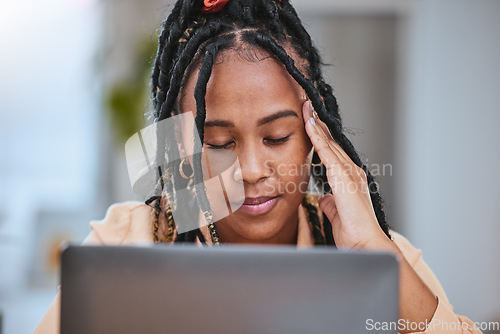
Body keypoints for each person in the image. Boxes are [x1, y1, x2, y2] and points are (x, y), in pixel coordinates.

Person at [35, 0, 482, 333]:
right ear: (180, 143)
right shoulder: (121, 248)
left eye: (276, 137)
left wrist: (372, 250)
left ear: (316, 129)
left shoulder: (384, 261)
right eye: (218, 142)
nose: (251, 169)